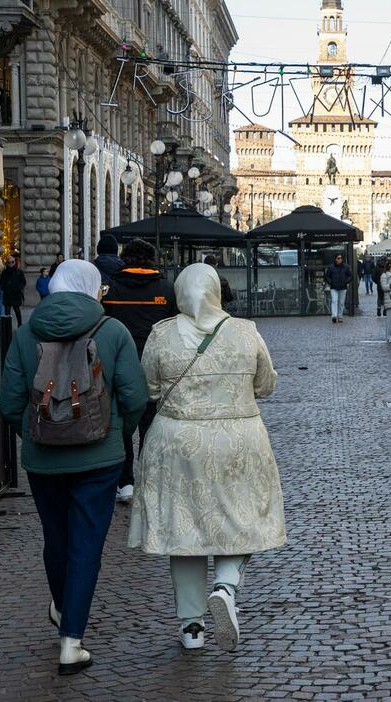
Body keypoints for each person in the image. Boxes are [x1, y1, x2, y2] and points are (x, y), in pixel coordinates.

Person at [0, 259, 147, 675]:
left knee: (56, 540)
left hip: (43, 460)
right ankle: (71, 640)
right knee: (86, 546)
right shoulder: (112, 331)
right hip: (99, 458)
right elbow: (135, 397)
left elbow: (9, 402)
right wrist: (115, 434)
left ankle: (64, 608)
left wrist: (38, 437)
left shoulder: (26, 333)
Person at [128, 263, 285, 653]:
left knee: (184, 530)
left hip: (177, 442)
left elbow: (147, 387)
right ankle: (226, 587)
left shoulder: (162, 334)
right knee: (244, 515)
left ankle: (191, 626)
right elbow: (265, 384)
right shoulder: (244, 330)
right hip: (238, 438)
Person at [103, 238, 178, 505]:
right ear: (152, 259)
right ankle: (149, 478)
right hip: (155, 365)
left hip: (118, 365)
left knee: (121, 425)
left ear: (126, 259)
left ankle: (125, 483)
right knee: (150, 425)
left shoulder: (111, 289)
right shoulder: (166, 289)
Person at [0, 255, 27, 326]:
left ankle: (20, 325)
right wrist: (4, 288)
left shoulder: (19, 272)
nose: (11, 263)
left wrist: (18, 288)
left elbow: (23, 282)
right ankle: (7, 327)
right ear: (7, 263)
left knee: (17, 311)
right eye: (9, 262)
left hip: (16, 294)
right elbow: (1, 282)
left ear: (15, 262)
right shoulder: (4, 272)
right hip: (7, 295)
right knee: (7, 313)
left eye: (12, 262)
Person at [324, 253, 351, 323]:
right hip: (334, 287)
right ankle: (334, 316)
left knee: (341, 302)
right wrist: (331, 282)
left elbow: (350, 275)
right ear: (335, 259)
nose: (340, 259)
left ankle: (340, 316)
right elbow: (327, 276)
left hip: (343, 287)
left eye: (341, 258)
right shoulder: (331, 267)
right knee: (334, 301)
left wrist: (346, 281)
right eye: (338, 258)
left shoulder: (346, 267)